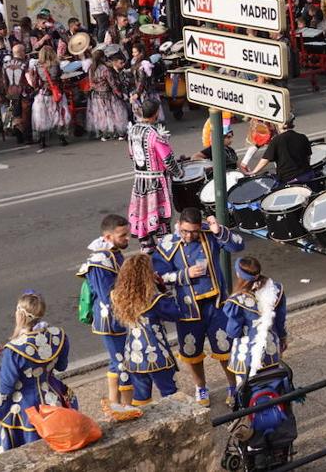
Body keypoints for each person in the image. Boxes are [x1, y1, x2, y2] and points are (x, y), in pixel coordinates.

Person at [153, 208, 245, 407]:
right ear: (179, 225)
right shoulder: (168, 244)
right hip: (187, 309)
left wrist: (219, 230)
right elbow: (158, 275)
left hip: (216, 305)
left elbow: (238, 246)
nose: (189, 236)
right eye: (185, 231)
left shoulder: (209, 234)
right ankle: (201, 387)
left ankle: (233, 385)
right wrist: (184, 274)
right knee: (191, 352)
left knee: (225, 348)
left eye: (193, 232)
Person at [0, 293, 74, 454]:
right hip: (54, 399)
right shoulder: (58, 335)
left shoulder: (13, 350)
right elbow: (62, 366)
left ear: (20, 315)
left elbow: (5, 390)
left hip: (24, 410)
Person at [77, 215, 140, 419]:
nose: (127, 239)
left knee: (119, 361)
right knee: (121, 362)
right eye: (123, 235)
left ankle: (117, 404)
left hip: (118, 316)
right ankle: (122, 406)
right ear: (108, 236)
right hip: (110, 319)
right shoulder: (99, 261)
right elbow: (107, 295)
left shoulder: (113, 254)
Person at [111, 253, 188, 406]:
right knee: (169, 392)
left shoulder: (118, 297)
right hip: (157, 352)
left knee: (141, 397)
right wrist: (163, 290)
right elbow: (175, 313)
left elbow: (115, 325)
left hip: (133, 353)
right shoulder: (154, 300)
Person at [127, 98, 184, 249]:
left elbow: (132, 155)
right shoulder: (154, 135)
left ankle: (147, 248)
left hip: (140, 181)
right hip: (156, 182)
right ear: (156, 113)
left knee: (143, 215)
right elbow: (168, 160)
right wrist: (179, 173)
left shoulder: (132, 131)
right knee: (160, 218)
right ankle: (166, 250)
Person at [223, 256, 289, 387]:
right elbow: (280, 321)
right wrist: (282, 338)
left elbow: (233, 332)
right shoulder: (275, 290)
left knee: (246, 392)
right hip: (271, 351)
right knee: (273, 388)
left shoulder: (237, 301)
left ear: (238, 274)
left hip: (246, 354)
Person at [246, 115, 314, 185]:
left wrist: (253, 172)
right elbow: (308, 157)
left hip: (288, 179)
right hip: (307, 175)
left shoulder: (276, 140)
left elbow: (266, 159)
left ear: (282, 125)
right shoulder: (302, 137)